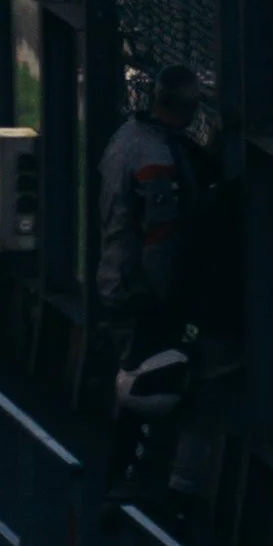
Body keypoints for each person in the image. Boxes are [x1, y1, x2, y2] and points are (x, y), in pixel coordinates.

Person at [95, 68, 209, 510]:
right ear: (191, 109)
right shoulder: (156, 158)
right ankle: (125, 481)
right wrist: (169, 299)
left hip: (115, 276)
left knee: (131, 383)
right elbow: (159, 240)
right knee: (142, 388)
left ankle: (128, 478)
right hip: (139, 292)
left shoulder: (126, 136)